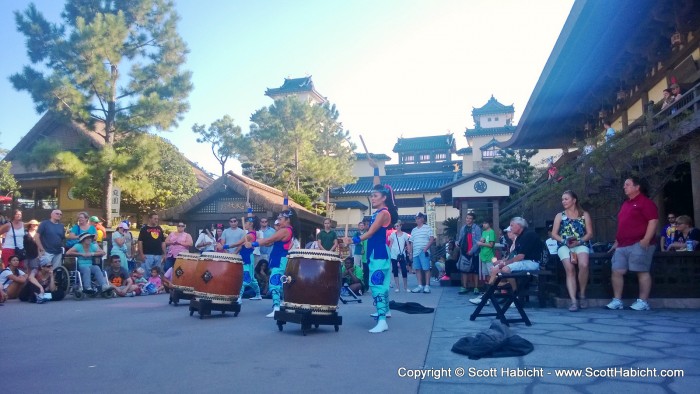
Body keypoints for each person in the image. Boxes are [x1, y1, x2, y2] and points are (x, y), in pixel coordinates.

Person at [344, 158, 398, 333]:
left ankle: (382, 320)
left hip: (379, 253)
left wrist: (353, 240)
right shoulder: (380, 211)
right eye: (372, 195)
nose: (372, 198)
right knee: (381, 282)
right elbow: (377, 187)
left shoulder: (383, 213)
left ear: (384, 198)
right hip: (377, 252)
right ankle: (385, 311)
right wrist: (375, 170)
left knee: (377, 284)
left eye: (375, 196)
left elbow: (371, 232)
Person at [606, 176, 658, 311]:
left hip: (639, 243)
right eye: (624, 185)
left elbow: (653, 221)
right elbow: (623, 225)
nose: (624, 187)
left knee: (641, 270)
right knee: (617, 270)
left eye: (627, 184)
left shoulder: (646, 203)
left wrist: (646, 240)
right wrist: (617, 241)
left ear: (637, 187)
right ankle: (617, 300)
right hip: (622, 244)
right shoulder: (626, 204)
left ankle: (643, 302)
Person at [245, 192, 299, 317]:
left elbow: (268, 240)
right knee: (280, 283)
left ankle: (276, 307)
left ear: (287, 220)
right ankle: (284, 304)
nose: (278, 221)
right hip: (280, 258)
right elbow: (270, 242)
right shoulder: (287, 228)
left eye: (280, 219)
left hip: (280, 259)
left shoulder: (285, 230)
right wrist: (285, 199)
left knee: (274, 282)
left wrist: (253, 244)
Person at [470, 217, 541, 305]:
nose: (510, 228)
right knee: (496, 269)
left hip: (532, 262)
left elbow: (520, 256)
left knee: (505, 269)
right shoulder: (520, 237)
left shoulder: (528, 235)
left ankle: (515, 296)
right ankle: (487, 296)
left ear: (519, 226)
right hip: (523, 262)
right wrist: (502, 263)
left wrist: (504, 263)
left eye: (512, 225)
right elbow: (515, 256)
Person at [551, 190, 594, 311]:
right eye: (562, 199)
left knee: (584, 264)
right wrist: (565, 241)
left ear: (574, 200)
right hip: (564, 244)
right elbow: (554, 234)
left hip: (580, 242)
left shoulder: (584, 214)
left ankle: (582, 293)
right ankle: (573, 301)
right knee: (570, 269)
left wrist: (579, 241)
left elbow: (590, 233)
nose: (563, 201)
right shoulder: (560, 216)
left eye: (566, 199)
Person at [228, 206, 263, 301]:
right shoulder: (252, 233)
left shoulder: (250, 235)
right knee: (252, 280)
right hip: (245, 256)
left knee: (246, 278)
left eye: (247, 222)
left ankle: (239, 297)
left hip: (248, 257)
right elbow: (250, 219)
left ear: (251, 224)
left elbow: (237, 243)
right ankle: (258, 295)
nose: (245, 223)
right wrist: (249, 209)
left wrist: (224, 247)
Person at [409, 212, 435, 294]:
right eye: (416, 218)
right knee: (417, 269)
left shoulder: (428, 228)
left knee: (426, 268)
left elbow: (431, 239)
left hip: (424, 251)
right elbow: (411, 242)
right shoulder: (414, 230)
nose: (417, 220)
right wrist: (410, 253)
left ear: (422, 219)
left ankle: (427, 286)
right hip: (416, 252)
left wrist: (425, 249)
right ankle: (420, 285)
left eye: (419, 218)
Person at [456, 213, 481, 295]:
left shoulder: (477, 228)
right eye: (467, 218)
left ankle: (476, 287)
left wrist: (472, 250)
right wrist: (457, 243)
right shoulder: (463, 228)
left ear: (473, 220)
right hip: (464, 251)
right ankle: (464, 287)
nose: (468, 220)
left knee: (475, 270)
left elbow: (478, 241)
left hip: (474, 252)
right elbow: (460, 238)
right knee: (464, 270)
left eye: (470, 218)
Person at [388, 220, 409, 292]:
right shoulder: (393, 235)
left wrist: (409, 252)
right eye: (395, 226)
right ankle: (397, 287)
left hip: (402, 254)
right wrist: (388, 252)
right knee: (395, 270)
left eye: (398, 226)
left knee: (404, 270)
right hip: (394, 254)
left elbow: (407, 244)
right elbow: (390, 244)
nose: (396, 227)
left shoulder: (405, 235)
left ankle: (405, 287)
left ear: (400, 226)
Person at [477, 219, 496, 283]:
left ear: (490, 224)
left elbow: (491, 245)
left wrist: (481, 243)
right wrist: (481, 241)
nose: (484, 225)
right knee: (486, 274)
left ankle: (493, 288)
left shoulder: (491, 232)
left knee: (492, 273)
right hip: (483, 256)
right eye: (483, 223)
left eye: (485, 223)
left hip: (490, 256)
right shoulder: (484, 232)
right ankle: (488, 287)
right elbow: (483, 242)